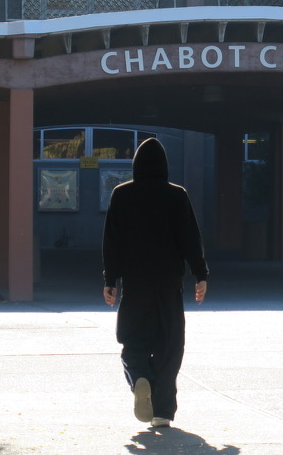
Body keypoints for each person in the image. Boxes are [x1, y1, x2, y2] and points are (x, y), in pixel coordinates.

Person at [102, 137, 208, 428]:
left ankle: (140, 377)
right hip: (169, 284)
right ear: (164, 166)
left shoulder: (121, 194)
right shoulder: (176, 195)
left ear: (136, 165)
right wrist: (201, 274)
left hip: (135, 284)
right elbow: (190, 238)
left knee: (132, 341)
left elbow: (112, 241)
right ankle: (163, 411)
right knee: (170, 345)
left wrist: (110, 279)